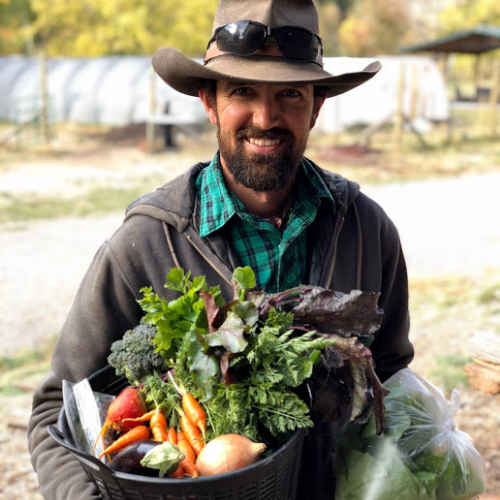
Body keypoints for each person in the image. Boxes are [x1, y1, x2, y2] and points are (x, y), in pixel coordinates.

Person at [28, 0, 414, 498]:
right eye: (243, 92)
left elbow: (391, 375)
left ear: (317, 106)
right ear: (209, 101)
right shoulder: (145, 244)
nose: (265, 117)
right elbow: (53, 412)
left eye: (291, 94)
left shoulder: (367, 229)